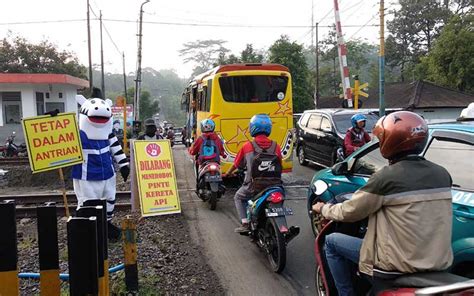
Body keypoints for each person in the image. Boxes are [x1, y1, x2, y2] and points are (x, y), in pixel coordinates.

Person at [312, 111, 453, 296]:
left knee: (331, 243)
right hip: (438, 264)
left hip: (395, 265)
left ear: (389, 142)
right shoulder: (442, 174)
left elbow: (351, 211)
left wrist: (324, 209)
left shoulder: (386, 177)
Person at [225, 114, 282, 233]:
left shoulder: (247, 146)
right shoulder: (276, 146)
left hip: (253, 186)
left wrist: (227, 174)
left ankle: (245, 223)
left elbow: (237, 165)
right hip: (274, 185)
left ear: (252, 128)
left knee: (239, 197)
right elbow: (279, 164)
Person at [188, 119, 225, 189]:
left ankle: (198, 184)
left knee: (197, 167)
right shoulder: (217, 138)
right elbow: (221, 150)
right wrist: (223, 155)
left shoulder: (200, 139)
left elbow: (193, 151)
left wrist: (191, 151)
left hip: (203, 162)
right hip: (215, 161)